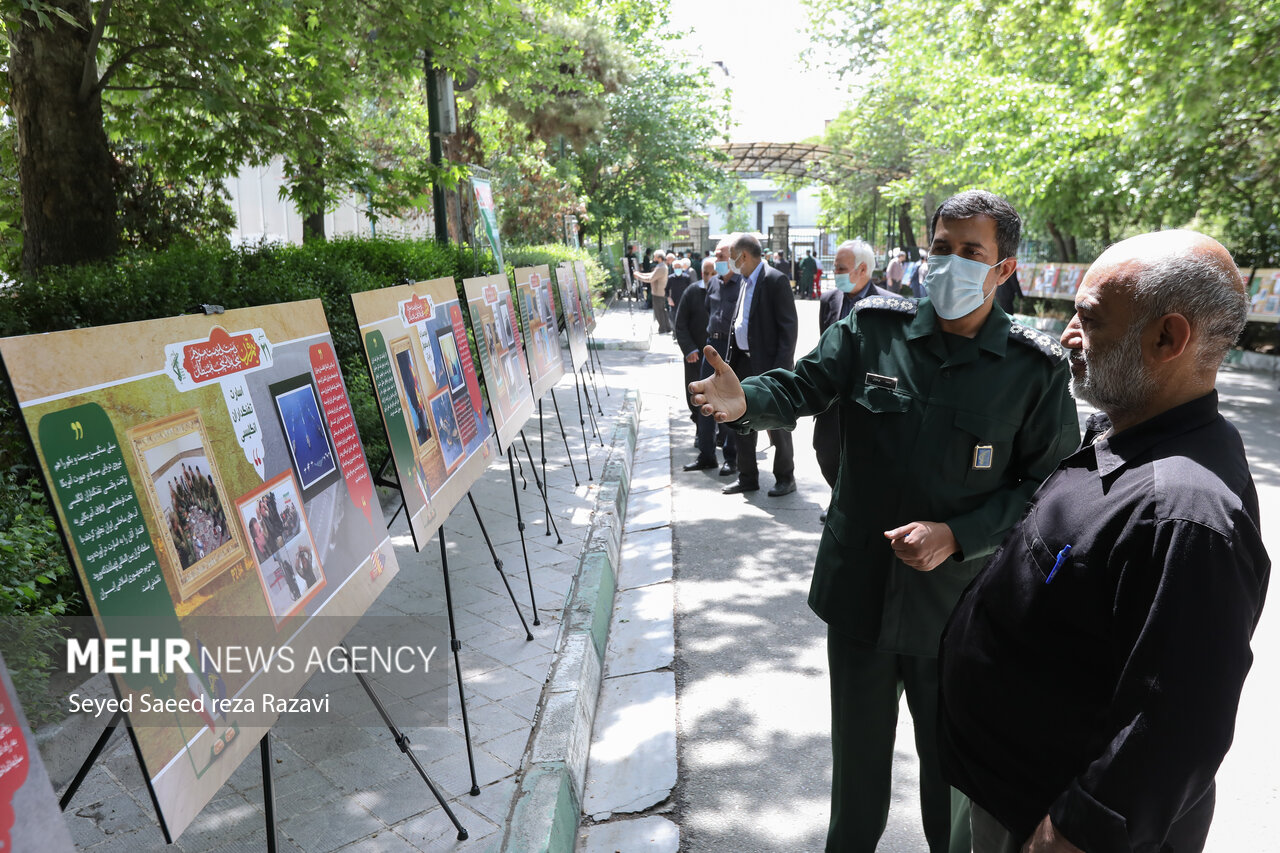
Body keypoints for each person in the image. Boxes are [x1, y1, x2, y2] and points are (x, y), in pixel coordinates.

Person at [690, 190, 1080, 853]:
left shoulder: (1031, 371)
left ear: (1004, 269)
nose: (950, 264)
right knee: (858, 783)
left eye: (971, 252)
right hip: (862, 597)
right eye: (941, 248)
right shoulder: (873, 330)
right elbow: (801, 387)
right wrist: (743, 400)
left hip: (955, 614)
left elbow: (1050, 488)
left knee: (949, 787)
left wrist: (959, 534)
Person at [939, 229, 1270, 853]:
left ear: (1168, 338)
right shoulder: (1119, 435)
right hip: (1006, 789)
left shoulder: (1186, 512)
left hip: (1045, 825)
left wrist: (1078, 830)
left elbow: (1179, 718)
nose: (1067, 335)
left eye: (1088, 318)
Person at [813, 239, 893, 520]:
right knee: (825, 451)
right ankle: (839, 494)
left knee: (864, 455)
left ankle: (852, 505)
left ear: (862, 270)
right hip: (832, 395)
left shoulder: (890, 305)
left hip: (869, 397)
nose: (835, 272)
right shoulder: (830, 299)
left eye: (840, 267)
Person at [721, 233, 799, 496]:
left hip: (768, 367)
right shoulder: (744, 281)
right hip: (742, 362)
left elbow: (788, 329)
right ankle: (747, 477)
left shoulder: (775, 280)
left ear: (743, 256)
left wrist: (780, 371)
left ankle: (785, 477)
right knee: (741, 420)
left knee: (775, 423)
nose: (730, 263)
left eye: (732, 257)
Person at [698, 235, 744, 477]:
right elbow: (709, 308)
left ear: (733, 259)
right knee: (704, 397)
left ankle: (731, 458)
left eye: (721, 256)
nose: (717, 260)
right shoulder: (714, 283)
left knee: (726, 402)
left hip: (729, 346)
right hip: (711, 343)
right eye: (715, 255)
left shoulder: (742, 284)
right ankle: (705, 454)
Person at [676, 258, 715, 460]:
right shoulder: (691, 292)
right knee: (696, 396)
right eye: (706, 273)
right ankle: (701, 431)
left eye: (712, 273)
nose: (709, 277)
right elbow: (680, 324)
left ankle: (712, 434)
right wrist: (689, 349)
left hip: (717, 356)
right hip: (695, 356)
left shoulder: (724, 292)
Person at [633, 249, 671, 333]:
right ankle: (667, 327)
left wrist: (638, 276)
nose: (654, 258)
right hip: (659, 292)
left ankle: (663, 328)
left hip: (658, 293)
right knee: (662, 311)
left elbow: (650, 278)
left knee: (659, 311)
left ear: (659, 258)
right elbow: (651, 274)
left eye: (655, 256)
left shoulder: (661, 267)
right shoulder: (661, 266)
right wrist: (640, 274)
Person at [666, 258, 694, 326]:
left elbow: (690, 289)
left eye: (679, 267)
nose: (677, 269)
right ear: (673, 268)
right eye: (676, 267)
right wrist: (669, 299)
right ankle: (675, 333)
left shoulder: (686, 277)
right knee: (674, 319)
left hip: (684, 301)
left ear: (682, 268)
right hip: (674, 302)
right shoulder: (670, 278)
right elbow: (666, 290)